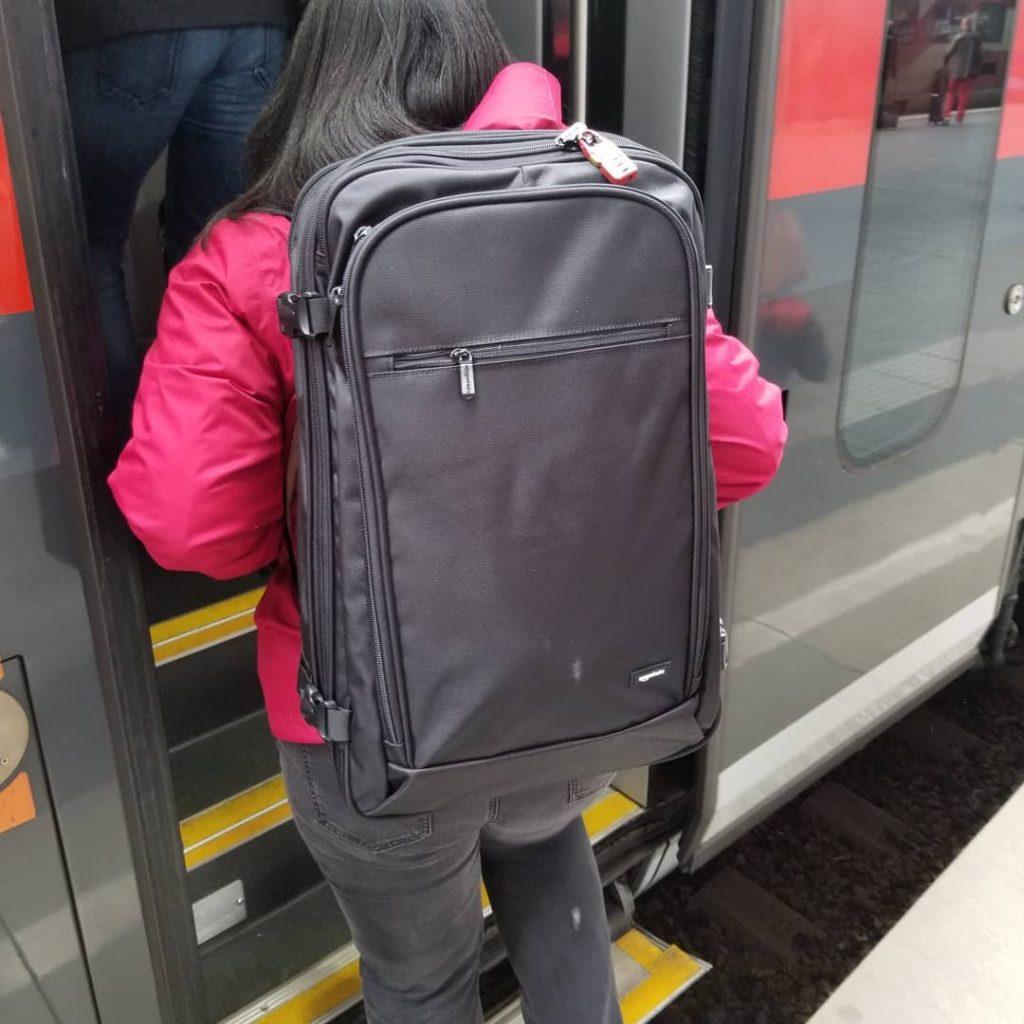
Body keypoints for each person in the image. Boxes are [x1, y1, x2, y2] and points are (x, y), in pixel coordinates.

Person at [109, 1, 787, 1020]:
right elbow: (740, 449)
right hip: (577, 681)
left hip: (367, 725)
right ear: (482, 65)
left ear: (311, 81)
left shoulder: (253, 257)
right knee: (550, 848)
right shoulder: (609, 211)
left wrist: (323, 534)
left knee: (418, 976)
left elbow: (189, 521)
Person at [56, 0, 299, 425]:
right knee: (219, 257)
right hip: (253, 25)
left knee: (89, 249)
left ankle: (126, 466)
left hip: (126, 23)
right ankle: (221, 457)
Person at [943, 15, 983, 125]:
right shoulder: (977, 39)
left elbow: (948, 53)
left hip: (955, 71)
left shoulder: (958, 38)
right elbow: (979, 56)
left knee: (951, 93)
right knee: (964, 94)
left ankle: (947, 116)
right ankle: (960, 117)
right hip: (969, 73)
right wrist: (976, 71)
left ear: (963, 25)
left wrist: (946, 64)